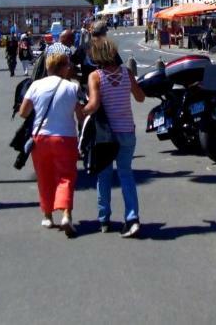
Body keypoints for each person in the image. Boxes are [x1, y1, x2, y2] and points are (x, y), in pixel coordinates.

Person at [82, 37, 146, 237]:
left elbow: (93, 105)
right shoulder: (126, 73)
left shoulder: (96, 76)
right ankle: (132, 218)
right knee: (126, 174)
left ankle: (104, 219)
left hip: (106, 135)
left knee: (104, 176)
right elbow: (140, 97)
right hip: (127, 130)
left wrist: (79, 111)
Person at [18, 52, 83, 236]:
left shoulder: (36, 85)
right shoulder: (71, 87)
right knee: (66, 177)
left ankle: (47, 216)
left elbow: (23, 112)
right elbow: (80, 115)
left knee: (44, 176)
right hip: (65, 137)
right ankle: (66, 215)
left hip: (41, 138)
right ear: (62, 67)